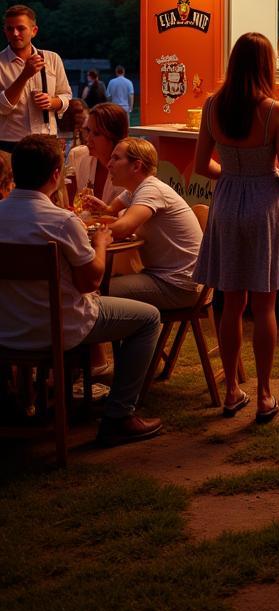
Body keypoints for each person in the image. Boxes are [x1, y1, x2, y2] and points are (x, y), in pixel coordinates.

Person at [0, 134, 162, 445]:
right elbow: (90, 281)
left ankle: (22, 400)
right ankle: (119, 415)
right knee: (149, 319)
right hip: (58, 329)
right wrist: (100, 244)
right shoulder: (61, 222)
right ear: (55, 176)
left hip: (5, 330)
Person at [194, 32, 279, 423]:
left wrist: (232, 174)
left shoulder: (211, 105)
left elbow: (202, 165)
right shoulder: (275, 111)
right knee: (265, 304)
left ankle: (231, 391)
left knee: (230, 303)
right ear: (265, 65)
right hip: (264, 204)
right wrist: (262, 174)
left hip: (225, 202)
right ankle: (264, 393)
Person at [88, 138, 203, 311]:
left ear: (136, 166)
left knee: (94, 293)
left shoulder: (150, 190)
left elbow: (123, 228)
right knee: (97, 288)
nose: (109, 164)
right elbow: (111, 211)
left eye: (116, 158)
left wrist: (79, 231)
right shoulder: (136, 189)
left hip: (177, 285)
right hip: (169, 278)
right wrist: (103, 211)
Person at [0, 4, 72, 152]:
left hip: (47, 138)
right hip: (11, 142)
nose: (15, 33)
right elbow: (2, 108)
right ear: (5, 31)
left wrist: (52, 102)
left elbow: (66, 95)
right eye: (9, 29)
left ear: (34, 31)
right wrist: (24, 75)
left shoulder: (52, 58)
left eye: (21, 28)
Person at [67, 103, 130, 210]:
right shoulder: (78, 156)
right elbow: (69, 205)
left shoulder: (131, 168)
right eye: (88, 131)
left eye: (96, 134)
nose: (88, 139)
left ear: (114, 137)